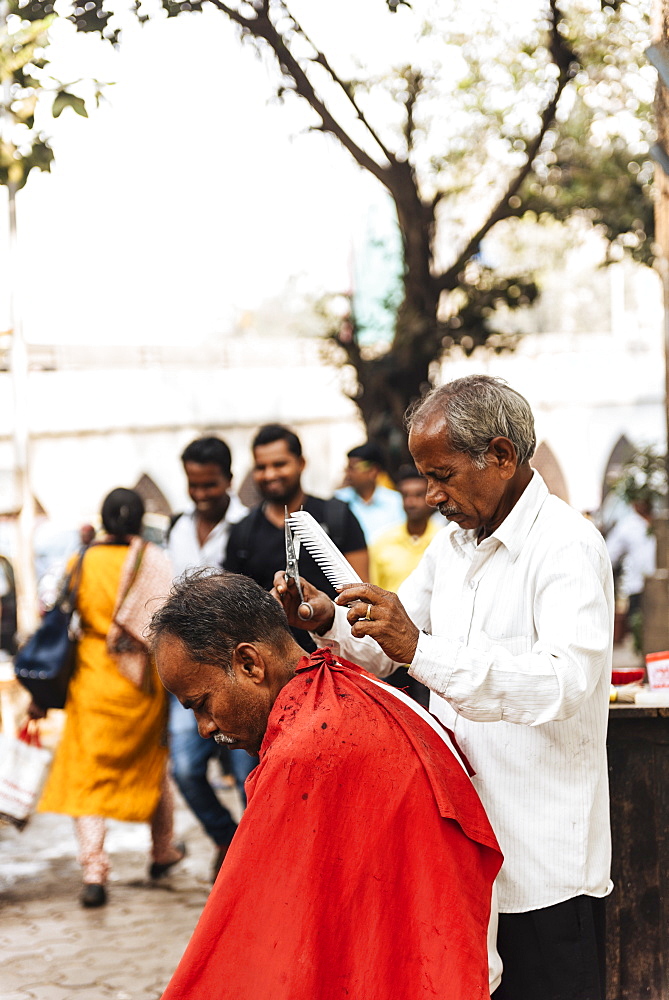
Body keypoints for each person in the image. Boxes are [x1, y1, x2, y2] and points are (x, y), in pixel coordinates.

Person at [275, 375, 614, 1000]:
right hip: (463, 850)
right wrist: (327, 622)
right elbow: (390, 646)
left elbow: (562, 682)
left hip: (542, 859)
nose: (430, 495)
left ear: (502, 456)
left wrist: (420, 650)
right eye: (424, 476)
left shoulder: (566, 546)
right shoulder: (454, 547)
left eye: (443, 475)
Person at [149, 571, 503, 1000]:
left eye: (201, 704)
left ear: (249, 663)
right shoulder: (343, 682)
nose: (204, 728)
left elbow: (253, 935)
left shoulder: (307, 748)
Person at [36, 488, 184, 908]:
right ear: (140, 522)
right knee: (153, 765)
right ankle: (161, 851)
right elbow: (162, 619)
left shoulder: (81, 559)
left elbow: (60, 611)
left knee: (88, 775)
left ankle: (94, 870)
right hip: (141, 682)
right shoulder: (154, 560)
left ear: (103, 520)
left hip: (92, 676)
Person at [167, 436, 252, 881]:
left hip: (234, 672)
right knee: (184, 767)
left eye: (209, 485)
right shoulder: (177, 527)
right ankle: (228, 837)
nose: (201, 494)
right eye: (193, 485)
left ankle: (256, 858)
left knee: (246, 772)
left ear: (228, 480)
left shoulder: (248, 525)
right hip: (187, 672)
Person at [224, 423, 368, 650]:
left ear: (301, 463)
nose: (270, 474)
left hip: (340, 657)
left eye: (279, 464)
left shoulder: (337, 516)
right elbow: (234, 609)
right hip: (272, 664)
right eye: (261, 467)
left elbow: (362, 594)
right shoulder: (242, 531)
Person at [368, 464, 441, 707]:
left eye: (418, 495)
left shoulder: (445, 543)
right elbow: (373, 592)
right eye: (406, 495)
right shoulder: (382, 543)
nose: (411, 502)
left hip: (434, 652)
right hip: (391, 655)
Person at [605, 497, 656, 649]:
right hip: (637, 586)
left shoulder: (660, 520)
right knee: (641, 632)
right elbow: (609, 554)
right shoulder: (627, 526)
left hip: (661, 587)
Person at [335, 441, 404, 543]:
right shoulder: (339, 500)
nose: (349, 474)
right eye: (348, 468)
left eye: (353, 468)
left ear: (373, 470)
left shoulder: (396, 502)